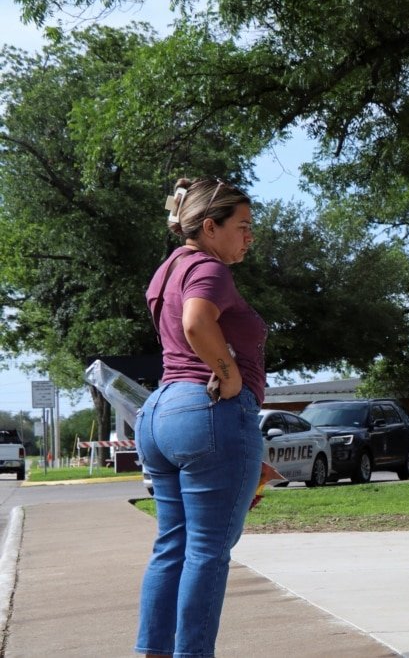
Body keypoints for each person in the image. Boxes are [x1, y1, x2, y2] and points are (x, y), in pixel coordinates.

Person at [135, 177, 264, 657]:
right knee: (207, 553)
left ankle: (154, 653)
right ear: (210, 227)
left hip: (161, 413)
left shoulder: (167, 268)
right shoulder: (209, 269)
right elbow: (195, 322)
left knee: (173, 547)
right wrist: (228, 376)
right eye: (243, 226)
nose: (249, 237)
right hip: (207, 409)